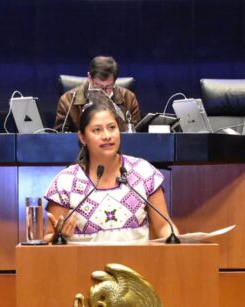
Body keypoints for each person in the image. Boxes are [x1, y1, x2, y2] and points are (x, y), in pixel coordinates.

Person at [44, 101, 176, 243]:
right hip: (82, 258)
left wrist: (175, 241)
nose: (107, 136)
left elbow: (164, 226)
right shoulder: (66, 182)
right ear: (82, 137)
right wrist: (58, 237)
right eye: (97, 130)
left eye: (112, 127)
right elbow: (48, 239)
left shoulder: (143, 172)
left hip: (137, 258)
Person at [54, 56, 141, 132]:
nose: (103, 91)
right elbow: (60, 136)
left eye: (108, 87)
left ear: (115, 81)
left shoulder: (129, 98)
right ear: (89, 77)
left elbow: (136, 135)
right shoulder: (67, 100)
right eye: (98, 86)